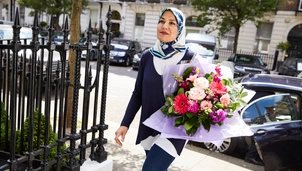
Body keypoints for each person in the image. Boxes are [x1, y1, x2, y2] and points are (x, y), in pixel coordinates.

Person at [114, 7, 197, 171]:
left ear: (180, 28)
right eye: (162, 21)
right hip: (149, 127)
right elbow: (138, 94)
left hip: (174, 130)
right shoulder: (147, 56)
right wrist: (125, 123)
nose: (165, 26)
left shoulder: (190, 58)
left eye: (172, 23)